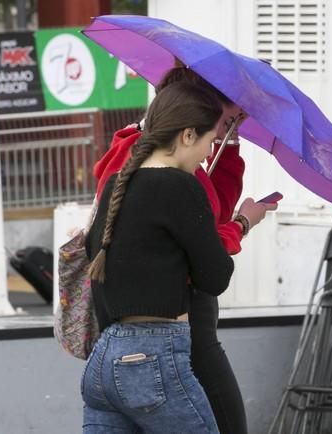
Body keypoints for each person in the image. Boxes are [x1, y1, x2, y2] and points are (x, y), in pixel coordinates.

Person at [93, 66, 275, 434]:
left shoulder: (128, 174)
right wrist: (240, 226)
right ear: (190, 128)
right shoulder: (177, 182)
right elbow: (212, 269)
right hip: (166, 333)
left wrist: (231, 146)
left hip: (110, 350)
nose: (216, 144)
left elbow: (207, 214)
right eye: (220, 127)